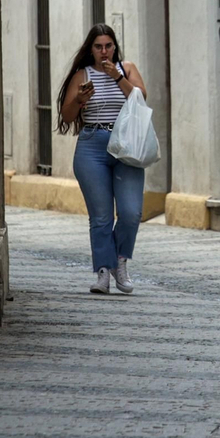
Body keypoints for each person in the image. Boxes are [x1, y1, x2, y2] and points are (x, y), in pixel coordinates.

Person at [56, 24, 150, 295]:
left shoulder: (127, 68)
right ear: (91, 49)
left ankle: (120, 263)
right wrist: (80, 100)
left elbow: (140, 98)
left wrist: (118, 77)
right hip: (92, 146)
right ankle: (102, 273)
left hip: (126, 146)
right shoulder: (82, 75)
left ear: (115, 47)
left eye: (108, 46)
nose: (104, 51)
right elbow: (67, 116)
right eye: (98, 47)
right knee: (101, 217)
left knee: (131, 213)